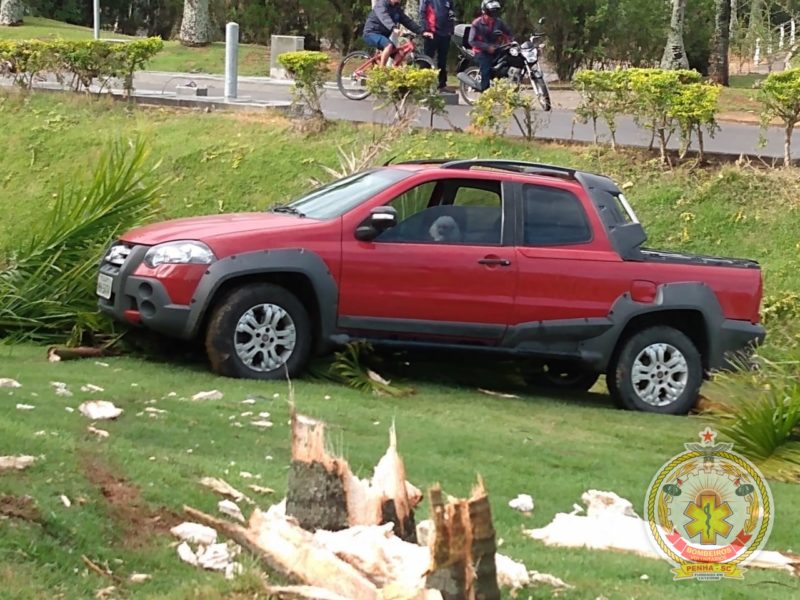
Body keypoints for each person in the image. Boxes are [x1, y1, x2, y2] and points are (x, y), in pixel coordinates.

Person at [363, 0, 434, 68]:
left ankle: (394, 72)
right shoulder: (381, 4)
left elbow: (407, 21)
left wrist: (422, 32)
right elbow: (384, 17)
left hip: (383, 36)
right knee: (388, 45)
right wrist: (393, 28)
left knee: (399, 54)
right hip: (371, 33)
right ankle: (382, 71)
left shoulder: (396, 9)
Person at [467, 0, 513, 91]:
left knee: (509, 60)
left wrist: (512, 42)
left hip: (496, 48)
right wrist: (487, 47)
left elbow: (509, 33)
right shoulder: (476, 23)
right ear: (484, 12)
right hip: (481, 51)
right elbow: (471, 41)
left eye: (494, 13)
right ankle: (485, 93)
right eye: (490, 13)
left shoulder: (499, 22)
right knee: (486, 70)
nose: (492, 17)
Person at [419, 0, 457, 90]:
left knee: (443, 60)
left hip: (445, 34)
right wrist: (425, 30)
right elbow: (422, 14)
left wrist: (450, 30)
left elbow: (451, 15)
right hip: (431, 33)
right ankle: (424, 84)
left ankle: (442, 84)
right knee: (427, 59)